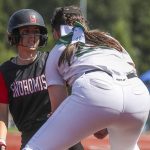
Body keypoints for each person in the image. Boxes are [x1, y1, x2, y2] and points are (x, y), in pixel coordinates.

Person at [23, 5, 150, 150]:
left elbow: (59, 110)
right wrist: (105, 118)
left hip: (96, 90)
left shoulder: (57, 50)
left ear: (56, 32)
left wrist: (98, 117)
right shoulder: (109, 39)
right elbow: (130, 67)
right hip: (138, 94)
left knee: (35, 148)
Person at [0, 9, 84, 150]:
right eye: (26, 31)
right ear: (14, 35)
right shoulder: (4, 72)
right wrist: (1, 140)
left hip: (61, 128)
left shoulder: (52, 59)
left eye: (36, 31)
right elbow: (2, 115)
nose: (32, 37)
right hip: (32, 136)